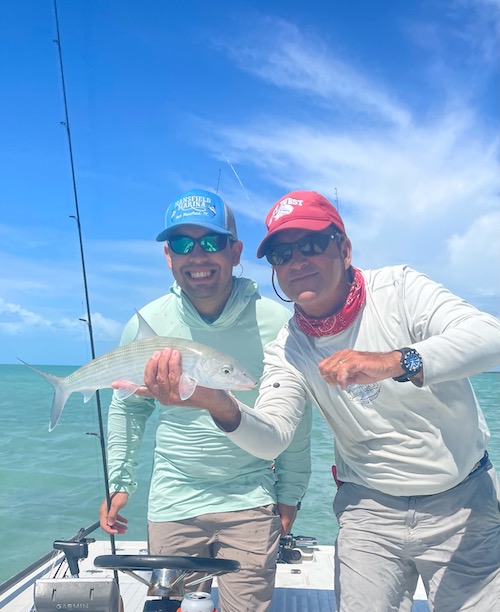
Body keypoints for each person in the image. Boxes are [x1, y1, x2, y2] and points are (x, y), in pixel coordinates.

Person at [134, 190, 500, 611]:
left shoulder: (399, 288)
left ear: (344, 249)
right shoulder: (288, 348)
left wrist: (395, 361)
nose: (297, 262)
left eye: (311, 244)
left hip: (464, 499)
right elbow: (273, 437)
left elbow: (490, 337)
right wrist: (219, 404)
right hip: (368, 510)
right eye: (282, 254)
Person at [99, 188, 312, 612]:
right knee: (170, 606)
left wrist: (290, 493)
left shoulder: (277, 322)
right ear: (168, 256)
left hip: (251, 497)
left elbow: (295, 417)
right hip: (173, 498)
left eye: (212, 242)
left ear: (236, 252)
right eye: (182, 244)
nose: (197, 255)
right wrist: (119, 482)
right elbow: (128, 406)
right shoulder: (148, 323)